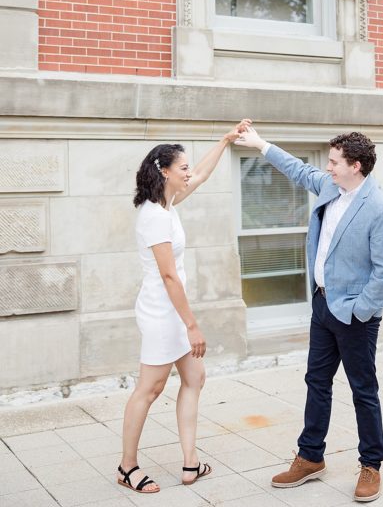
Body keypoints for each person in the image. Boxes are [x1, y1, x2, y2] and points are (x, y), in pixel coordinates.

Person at [234, 125, 383, 504]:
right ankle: (310, 457)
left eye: (334, 162)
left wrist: (360, 312)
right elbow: (299, 171)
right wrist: (261, 144)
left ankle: (371, 464)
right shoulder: (331, 187)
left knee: (363, 390)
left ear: (355, 166)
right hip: (322, 306)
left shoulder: (380, 208)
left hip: (354, 316)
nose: (327, 168)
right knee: (316, 382)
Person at [117, 121, 249, 494]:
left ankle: (190, 462)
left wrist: (225, 140)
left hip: (174, 311)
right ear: (164, 171)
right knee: (150, 388)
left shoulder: (167, 203)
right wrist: (192, 325)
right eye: (183, 168)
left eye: (188, 167)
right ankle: (127, 466)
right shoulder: (154, 216)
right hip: (162, 314)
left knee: (195, 378)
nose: (189, 172)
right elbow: (169, 277)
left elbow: (204, 174)